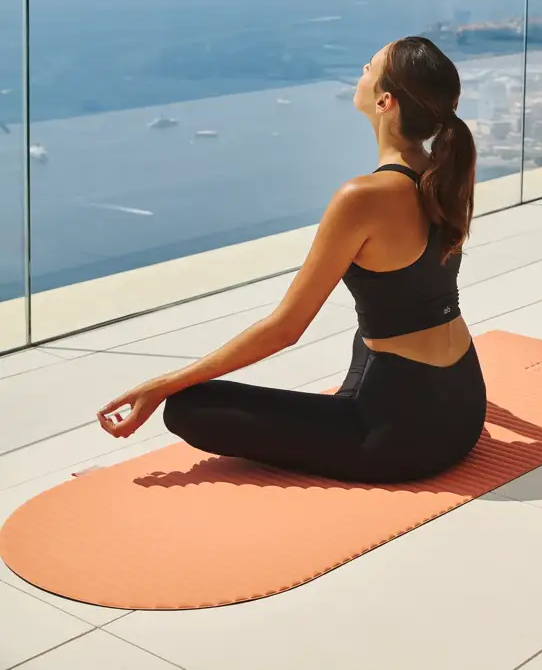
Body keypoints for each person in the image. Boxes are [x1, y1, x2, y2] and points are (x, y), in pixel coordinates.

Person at [97, 36, 487, 483]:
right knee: (375, 328)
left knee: (187, 407)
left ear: (384, 101)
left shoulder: (362, 197)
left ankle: (348, 417)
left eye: (368, 67)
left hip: (400, 439)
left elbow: (285, 329)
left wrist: (164, 384)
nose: (360, 69)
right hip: (463, 405)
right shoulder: (444, 172)